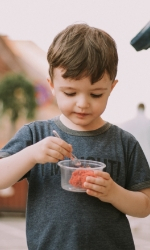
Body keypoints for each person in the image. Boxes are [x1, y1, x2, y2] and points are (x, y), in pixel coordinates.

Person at [0, 23, 150, 250]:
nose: (82, 103)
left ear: (111, 88)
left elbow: (145, 204)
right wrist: (31, 154)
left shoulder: (124, 142)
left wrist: (113, 193)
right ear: (52, 85)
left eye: (96, 94)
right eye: (70, 92)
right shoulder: (35, 135)